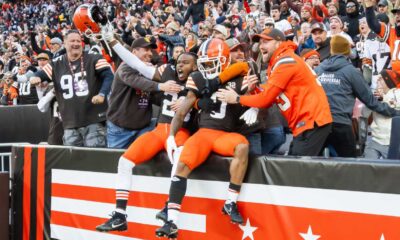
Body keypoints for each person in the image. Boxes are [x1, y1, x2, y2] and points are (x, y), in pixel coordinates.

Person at [156, 39, 250, 239]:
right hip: (204, 133)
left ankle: (230, 202)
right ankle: (171, 220)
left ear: (224, 61)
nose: (208, 67)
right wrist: (172, 135)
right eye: (205, 63)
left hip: (225, 134)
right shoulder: (198, 78)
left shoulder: (239, 75)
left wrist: (252, 103)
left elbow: (246, 68)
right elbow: (182, 111)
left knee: (242, 146)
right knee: (182, 165)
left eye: (212, 62)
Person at [95, 52, 198, 232]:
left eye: (186, 63)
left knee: (179, 161)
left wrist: (191, 101)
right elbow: (138, 65)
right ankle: (119, 215)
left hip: (180, 132)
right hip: (159, 130)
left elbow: (207, 102)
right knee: (124, 161)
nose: (180, 66)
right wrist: (111, 41)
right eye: (178, 62)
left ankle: (171, 217)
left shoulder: (199, 82)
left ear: (195, 67)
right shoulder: (166, 76)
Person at [217, 29, 333, 156]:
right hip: (307, 123)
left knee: (299, 171)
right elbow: (271, 93)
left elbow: (266, 99)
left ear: (278, 43)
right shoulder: (282, 60)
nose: (261, 46)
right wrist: (254, 89)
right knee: (296, 166)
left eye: (266, 42)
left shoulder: (285, 61)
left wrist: (237, 98)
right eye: (260, 43)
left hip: (311, 122)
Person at [315, 35, 400, 157]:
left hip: (319, 124)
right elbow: (370, 101)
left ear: (331, 49)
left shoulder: (318, 70)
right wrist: (393, 112)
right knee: (351, 166)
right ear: (347, 51)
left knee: (314, 165)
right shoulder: (351, 72)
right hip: (340, 124)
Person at [30, 30, 114, 147]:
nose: (76, 43)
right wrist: (35, 78)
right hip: (70, 122)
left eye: (78, 41)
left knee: (95, 158)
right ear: (64, 43)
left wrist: (102, 93)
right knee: (73, 161)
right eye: (72, 41)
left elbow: (109, 76)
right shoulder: (56, 63)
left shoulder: (94, 58)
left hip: (94, 120)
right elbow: (40, 74)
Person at [106, 37, 182, 149]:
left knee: (142, 162)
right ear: (134, 52)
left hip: (143, 127)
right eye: (146, 49)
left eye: (151, 50)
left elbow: (155, 97)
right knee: (115, 161)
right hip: (121, 129)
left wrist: (177, 101)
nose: (150, 53)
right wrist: (160, 86)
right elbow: (136, 81)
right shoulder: (125, 66)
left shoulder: (149, 69)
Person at [363, 72, 400, 159]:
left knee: (392, 170)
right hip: (375, 140)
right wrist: (371, 102)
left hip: (392, 142)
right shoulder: (375, 97)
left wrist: (383, 98)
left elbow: (394, 107)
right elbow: (364, 114)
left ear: (388, 81)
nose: (377, 81)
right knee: (369, 166)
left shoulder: (397, 93)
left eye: (381, 79)